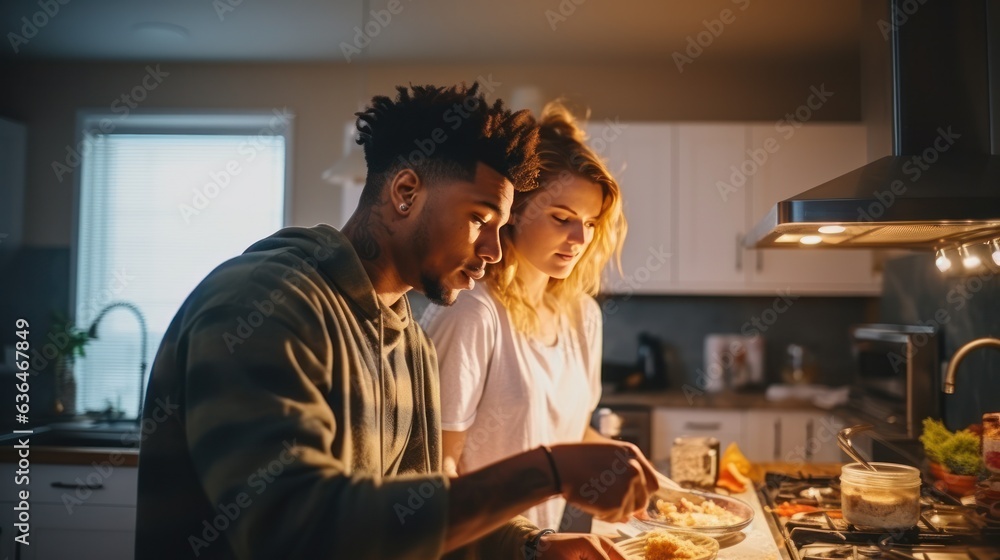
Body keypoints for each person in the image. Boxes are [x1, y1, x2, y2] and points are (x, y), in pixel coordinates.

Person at [135, 83, 656, 560]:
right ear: (405, 192)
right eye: (479, 219)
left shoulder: (408, 343)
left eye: (500, 227)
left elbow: (418, 518)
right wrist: (547, 472)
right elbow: (297, 532)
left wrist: (532, 547)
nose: (495, 251)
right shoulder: (263, 304)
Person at [422, 101, 629, 532]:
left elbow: (568, 435)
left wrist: (655, 483)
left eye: (591, 223)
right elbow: (438, 470)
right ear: (515, 211)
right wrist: (523, 543)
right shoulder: (473, 313)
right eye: (562, 218)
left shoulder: (582, 317)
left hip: (541, 544)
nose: (579, 239)